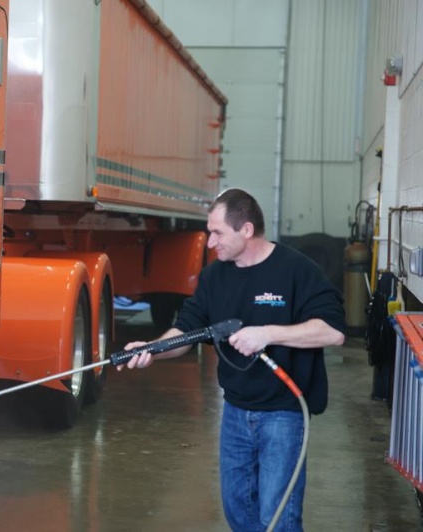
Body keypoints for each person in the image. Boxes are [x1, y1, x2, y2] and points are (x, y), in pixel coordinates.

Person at [119, 188, 345, 531]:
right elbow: (187, 331)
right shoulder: (214, 278)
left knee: (277, 518)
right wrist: (151, 348)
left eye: (218, 232)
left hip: (284, 413)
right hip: (236, 413)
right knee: (239, 513)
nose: (210, 242)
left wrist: (267, 333)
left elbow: (333, 331)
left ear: (247, 230)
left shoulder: (297, 270)